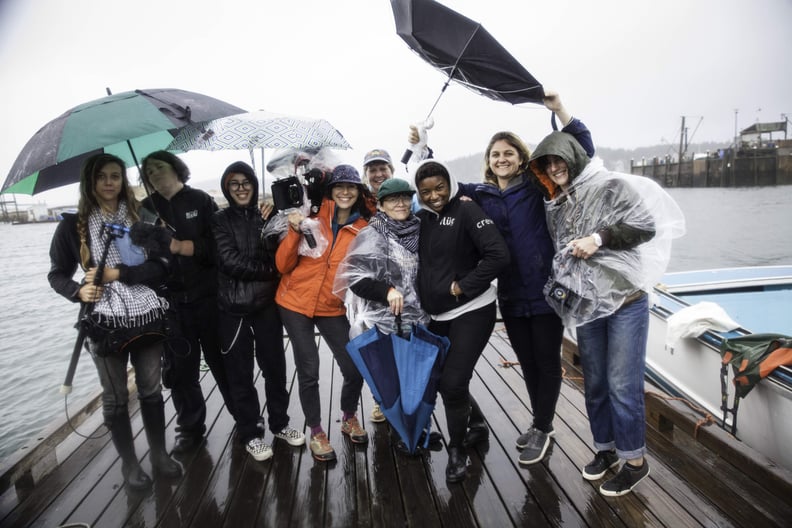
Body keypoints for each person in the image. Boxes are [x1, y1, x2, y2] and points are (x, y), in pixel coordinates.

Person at [528, 130, 684, 496]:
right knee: (595, 381)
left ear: (574, 157)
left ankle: (635, 462)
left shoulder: (609, 185)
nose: (554, 167)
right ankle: (606, 450)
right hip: (588, 305)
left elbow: (645, 226)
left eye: (559, 159)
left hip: (627, 300)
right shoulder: (556, 202)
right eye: (547, 164)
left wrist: (598, 239)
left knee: (622, 384)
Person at [48, 153, 181, 491]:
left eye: (115, 176)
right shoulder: (72, 225)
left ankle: (159, 455)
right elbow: (57, 274)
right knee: (116, 398)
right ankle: (129, 464)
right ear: (90, 182)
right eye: (102, 176)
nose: (109, 183)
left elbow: (164, 264)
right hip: (103, 321)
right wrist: (79, 291)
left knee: (151, 390)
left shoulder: (143, 216)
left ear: (123, 181)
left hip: (146, 313)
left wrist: (120, 273)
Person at [413, 159, 509, 482]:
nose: (434, 195)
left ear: (450, 184)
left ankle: (457, 452)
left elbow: (499, 255)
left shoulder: (467, 210)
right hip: (437, 314)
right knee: (444, 378)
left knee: (452, 382)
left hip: (474, 308)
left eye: (440, 187)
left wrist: (464, 285)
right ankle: (477, 423)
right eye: (425, 191)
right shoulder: (421, 219)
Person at [275, 164, 373, 462]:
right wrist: (294, 231)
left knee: (354, 365)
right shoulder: (310, 216)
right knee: (309, 369)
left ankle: (348, 416)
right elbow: (282, 265)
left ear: (358, 192)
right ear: (331, 190)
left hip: (332, 305)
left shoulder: (363, 229)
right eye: (339, 186)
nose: (345, 191)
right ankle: (316, 430)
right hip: (294, 301)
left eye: (351, 187)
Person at [212, 161, 305, 462]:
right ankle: (250, 432)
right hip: (233, 309)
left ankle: (280, 423)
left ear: (254, 184)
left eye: (246, 182)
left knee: (275, 369)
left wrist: (275, 220)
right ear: (227, 188)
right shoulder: (219, 220)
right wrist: (271, 272)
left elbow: (283, 251)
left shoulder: (267, 216)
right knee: (240, 374)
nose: (241, 188)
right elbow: (229, 261)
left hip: (266, 305)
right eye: (234, 183)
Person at [139, 150, 230, 454]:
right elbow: (142, 255)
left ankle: (243, 419)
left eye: (159, 167)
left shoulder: (201, 201)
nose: (153, 174)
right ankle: (189, 428)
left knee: (223, 362)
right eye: (148, 171)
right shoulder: (144, 209)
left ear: (176, 168)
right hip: (171, 304)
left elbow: (217, 247)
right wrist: (154, 241)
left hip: (207, 298)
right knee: (181, 370)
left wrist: (180, 245)